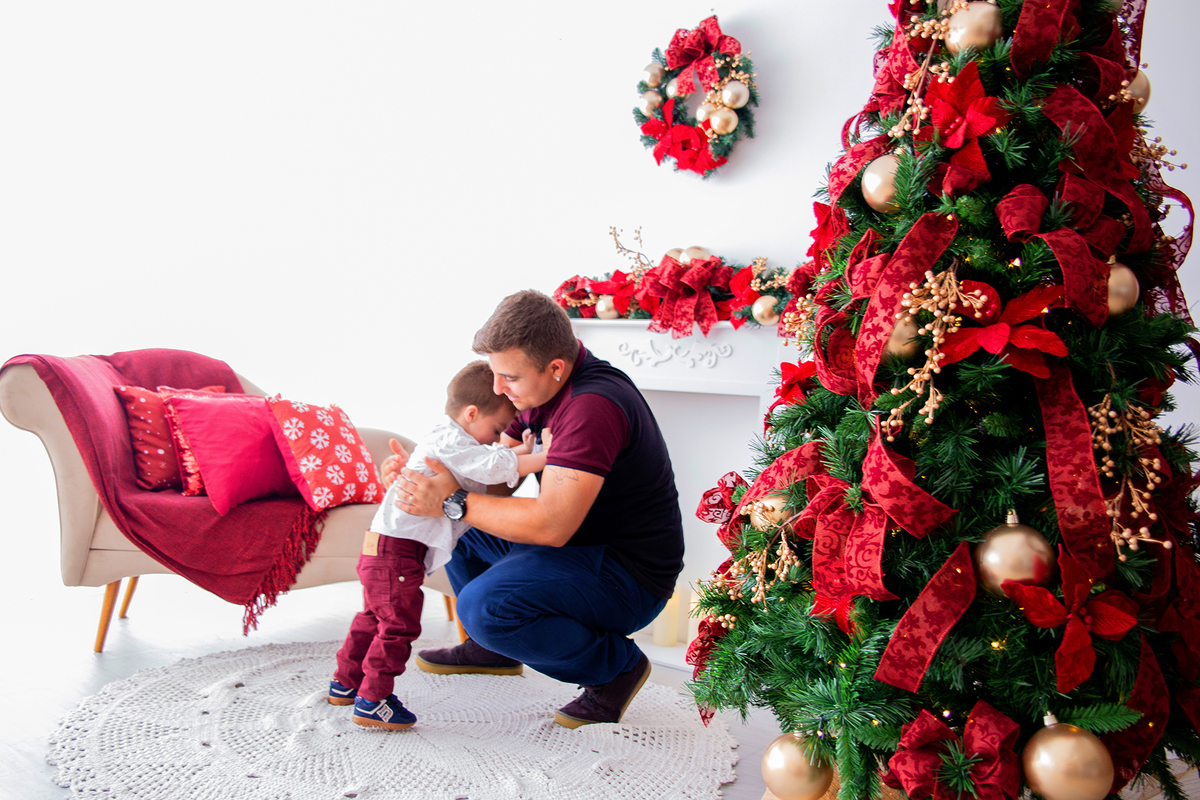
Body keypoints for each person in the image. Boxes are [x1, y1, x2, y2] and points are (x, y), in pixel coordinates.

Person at [387, 289, 684, 729]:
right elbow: (492, 482)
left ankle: (615, 668)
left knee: (483, 607)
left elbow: (550, 526)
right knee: (456, 530)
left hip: (626, 574)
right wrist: (421, 479)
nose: (497, 389)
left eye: (508, 377)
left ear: (555, 367)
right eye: (494, 373)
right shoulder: (537, 393)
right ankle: (493, 650)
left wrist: (450, 499)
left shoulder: (590, 407)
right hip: (574, 548)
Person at [330, 361, 547, 730]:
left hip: (380, 547)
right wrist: (545, 457)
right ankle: (373, 699)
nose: (496, 439)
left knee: (371, 618)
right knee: (398, 626)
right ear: (471, 413)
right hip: (398, 553)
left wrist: (523, 449)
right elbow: (490, 466)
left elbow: (493, 462)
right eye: (496, 430)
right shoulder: (455, 443)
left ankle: (345, 683)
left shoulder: (445, 437)